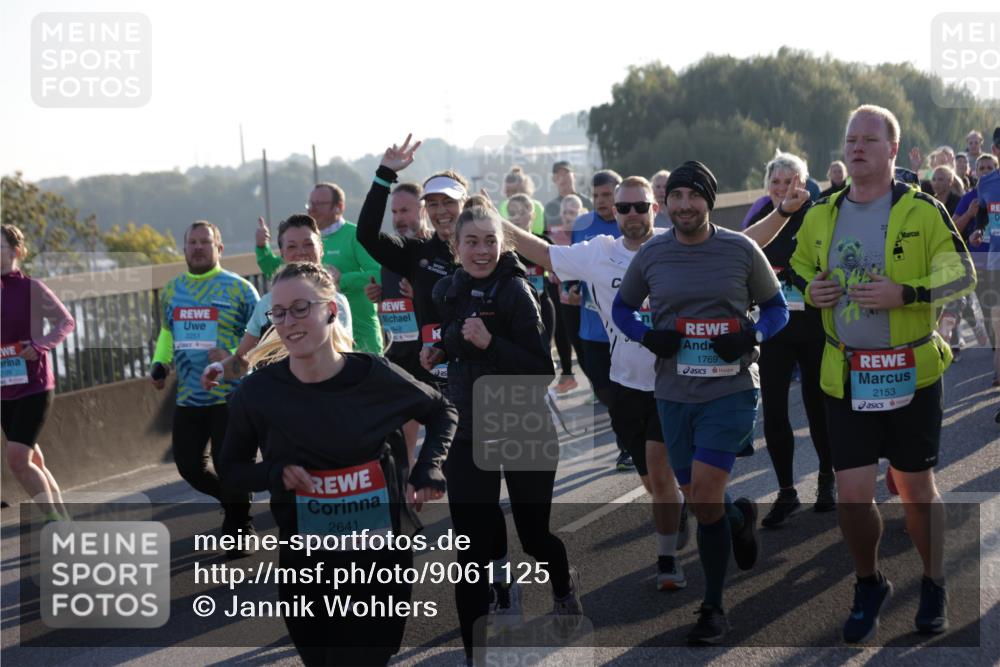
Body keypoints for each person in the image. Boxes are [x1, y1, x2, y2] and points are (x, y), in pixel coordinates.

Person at [790, 105, 976, 643]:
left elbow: (962, 273)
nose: (856, 147)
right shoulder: (822, 212)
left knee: (916, 488)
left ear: (893, 149)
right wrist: (811, 289)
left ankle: (934, 580)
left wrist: (907, 293)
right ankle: (869, 582)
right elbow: (798, 265)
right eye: (851, 139)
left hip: (910, 372)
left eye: (869, 139)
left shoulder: (922, 210)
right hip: (846, 373)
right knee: (852, 495)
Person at [219, 261, 456, 666]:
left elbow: (442, 411)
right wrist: (274, 474)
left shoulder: (373, 375)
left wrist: (427, 468)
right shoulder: (258, 393)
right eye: (279, 313)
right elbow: (231, 469)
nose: (289, 322)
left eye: (301, 308)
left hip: (377, 562)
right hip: (305, 567)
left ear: (330, 310)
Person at [613, 160, 788, 644]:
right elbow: (622, 308)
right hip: (674, 394)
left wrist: (752, 335)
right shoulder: (652, 254)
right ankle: (739, 519)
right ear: (666, 203)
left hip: (730, 390)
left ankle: (713, 608)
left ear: (709, 201)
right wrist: (647, 337)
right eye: (677, 196)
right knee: (702, 501)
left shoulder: (740, 249)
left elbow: (777, 309)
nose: (685, 205)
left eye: (694, 196)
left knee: (706, 497)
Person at [502, 175, 690, 591]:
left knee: (661, 475)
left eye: (640, 206)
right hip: (625, 385)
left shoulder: (677, 244)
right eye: (623, 208)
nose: (632, 214)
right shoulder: (599, 252)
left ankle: (667, 560)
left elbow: (740, 244)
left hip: (673, 382)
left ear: (655, 209)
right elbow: (543, 253)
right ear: (614, 213)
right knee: (651, 481)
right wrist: (496, 223)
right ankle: (700, 508)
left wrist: (784, 212)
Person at [422, 205, 580, 665]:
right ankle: (478, 655)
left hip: (522, 428)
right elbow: (457, 339)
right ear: (456, 247)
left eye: (490, 241)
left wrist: (490, 342)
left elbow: (540, 369)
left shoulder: (516, 291)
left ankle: (562, 583)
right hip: (468, 432)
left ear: (503, 244)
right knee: (471, 549)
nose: (482, 250)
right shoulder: (447, 290)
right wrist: (439, 351)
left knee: (534, 537)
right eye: (471, 242)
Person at [151, 220, 259, 558]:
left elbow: (262, 338)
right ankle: (235, 499)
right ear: (184, 249)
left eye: (205, 242)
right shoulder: (172, 290)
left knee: (230, 464)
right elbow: (167, 333)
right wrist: (160, 363)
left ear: (219, 248)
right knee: (189, 468)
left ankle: (240, 527)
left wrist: (233, 356)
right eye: (192, 242)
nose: (198, 247)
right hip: (189, 397)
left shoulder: (241, 290)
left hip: (231, 394)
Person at [745, 153, 835, 526]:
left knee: (817, 406)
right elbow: (742, 257)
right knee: (775, 412)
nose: (782, 189)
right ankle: (786, 492)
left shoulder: (818, 215)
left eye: (790, 181)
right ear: (767, 186)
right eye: (776, 182)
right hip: (774, 329)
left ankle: (827, 479)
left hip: (813, 325)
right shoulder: (762, 219)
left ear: (804, 183)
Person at [355, 135, 462, 387]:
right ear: (426, 210)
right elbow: (366, 235)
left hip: (477, 373)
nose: (441, 210)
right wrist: (384, 175)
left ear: (465, 204)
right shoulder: (417, 253)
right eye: (433, 204)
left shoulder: (487, 251)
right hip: (432, 376)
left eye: (449, 202)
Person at [201, 215, 351, 386]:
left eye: (308, 244)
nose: (301, 252)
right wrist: (217, 370)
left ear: (321, 249)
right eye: (292, 246)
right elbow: (243, 359)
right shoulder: (266, 304)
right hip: (277, 397)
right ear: (282, 253)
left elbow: (342, 355)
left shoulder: (336, 303)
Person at [1, 224, 75, 522]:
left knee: (18, 459)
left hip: (34, 386)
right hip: (4, 388)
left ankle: (55, 521)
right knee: (35, 461)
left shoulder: (31, 288)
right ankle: (65, 519)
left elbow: (66, 322)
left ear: (16, 252)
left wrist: (40, 345)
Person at [256, 183, 383, 354]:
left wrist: (342, 280)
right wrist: (262, 248)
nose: (312, 209)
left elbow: (380, 274)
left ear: (339, 207)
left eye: (319, 204)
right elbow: (277, 271)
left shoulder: (356, 235)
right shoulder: (304, 241)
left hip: (362, 341)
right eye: (310, 204)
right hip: (319, 346)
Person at [574, 169, 634, 470]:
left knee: (627, 392)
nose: (600, 201)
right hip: (592, 329)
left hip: (626, 329)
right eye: (596, 195)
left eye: (607, 195)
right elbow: (574, 266)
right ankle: (629, 438)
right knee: (606, 391)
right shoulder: (581, 225)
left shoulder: (630, 224)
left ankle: (628, 446)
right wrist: (572, 288)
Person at [543, 160, 594, 233]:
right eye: (558, 175)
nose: (562, 178)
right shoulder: (550, 207)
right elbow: (546, 234)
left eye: (565, 173)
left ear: (574, 176)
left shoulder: (587, 202)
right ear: (553, 179)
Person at [498, 166, 546, 235]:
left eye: (514, 191)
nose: (511, 195)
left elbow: (539, 231)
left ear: (524, 188)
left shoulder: (536, 205)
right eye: (508, 191)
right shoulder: (503, 205)